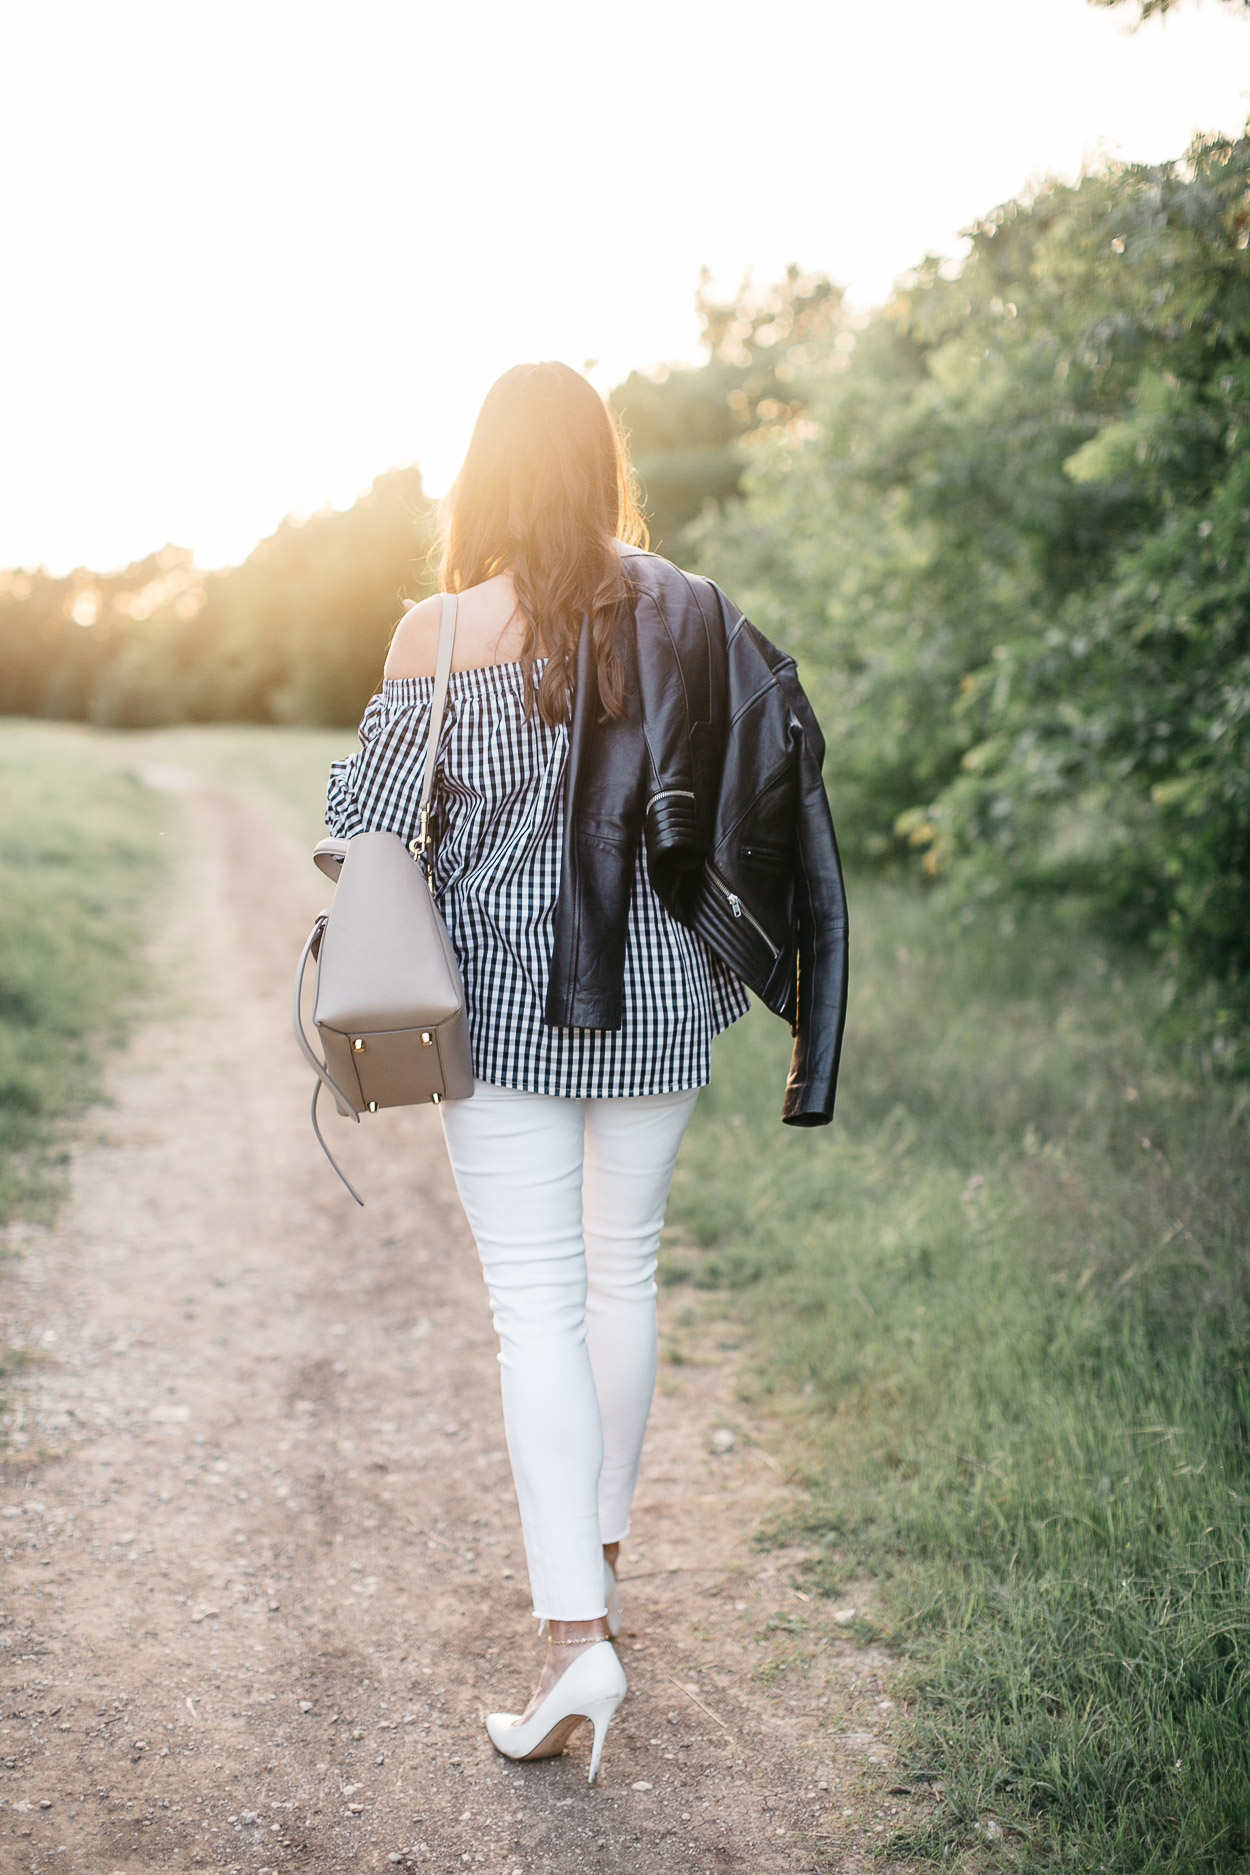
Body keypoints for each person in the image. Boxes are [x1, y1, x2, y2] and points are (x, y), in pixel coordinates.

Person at [324, 361, 848, 1783]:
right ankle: (599, 1568)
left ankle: (575, 1637)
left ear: (483, 477)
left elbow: (370, 824)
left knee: (536, 1307)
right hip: (664, 1002)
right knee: (624, 1275)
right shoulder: (682, 612)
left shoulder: (436, 633)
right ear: (602, 468)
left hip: (503, 1010)